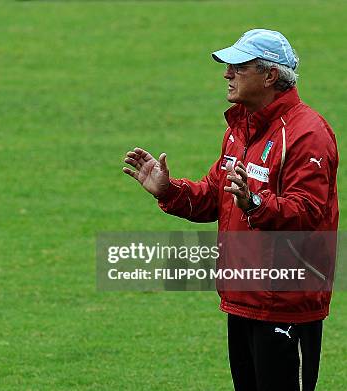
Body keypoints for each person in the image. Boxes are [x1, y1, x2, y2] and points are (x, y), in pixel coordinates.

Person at [123, 29, 337, 391]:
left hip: (285, 304)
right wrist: (169, 191)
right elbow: (215, 194)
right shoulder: (240, 128)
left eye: (238, 67)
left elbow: (308, 213)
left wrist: (255, 203)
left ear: (269, 76)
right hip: (241, 298)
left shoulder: (307, 134)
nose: (227, 74)